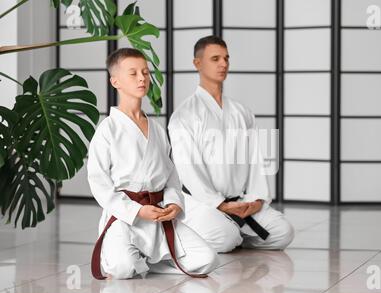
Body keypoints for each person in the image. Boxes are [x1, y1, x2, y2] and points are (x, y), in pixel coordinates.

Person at [87, 48, 218, 280]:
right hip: (126, 217)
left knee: (207, 260)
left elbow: (171, 176)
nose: (142, 78)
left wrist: (174, 204)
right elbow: (99, 184)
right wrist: (137, 210)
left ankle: (147, 262)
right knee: (122, 268)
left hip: (159, 213)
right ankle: (127, 255)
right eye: (133, 73)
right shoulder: (108, 129)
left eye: (145, 73)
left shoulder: (157, 129)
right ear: (115, 81)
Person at [168, 36, 295, 253]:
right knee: (225, 240)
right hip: (204, 203)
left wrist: (256, 200)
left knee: (283, 232)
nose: (223, 64)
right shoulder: (184, 115)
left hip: (240, 203)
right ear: (197, 63)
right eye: (215, 58)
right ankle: (222, 230)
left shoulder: (241, 112)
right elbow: (188, 170)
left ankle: (236, 232)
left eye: (226, 58)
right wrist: (219, 204)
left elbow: (256, 161)